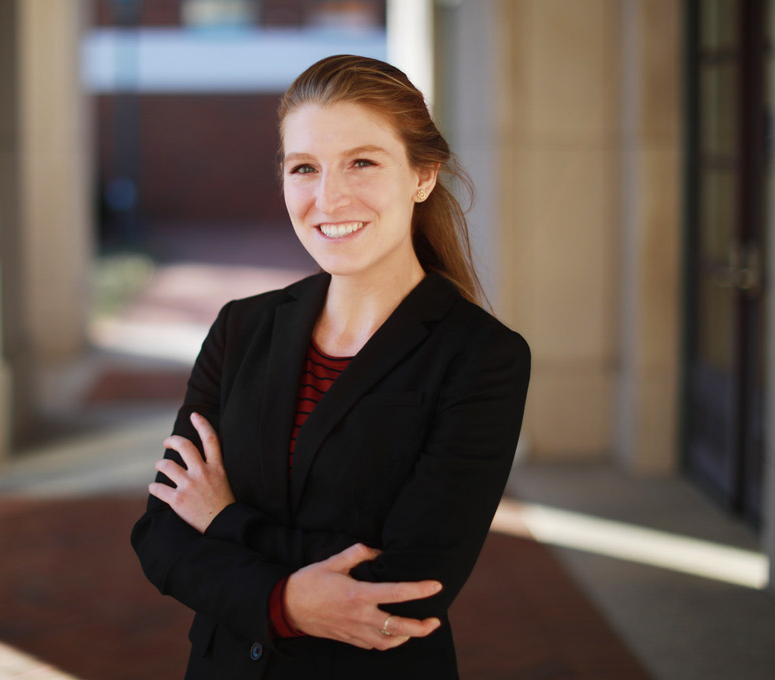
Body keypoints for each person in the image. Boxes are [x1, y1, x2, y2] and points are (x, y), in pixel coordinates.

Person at [131, 54, 530, 679]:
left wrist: (227, 520)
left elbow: (409, 584)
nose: (328, 197)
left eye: (362, 163)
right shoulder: (241, 328)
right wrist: (287, 602)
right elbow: (160, 534)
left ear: (423, 174)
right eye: (305, 168)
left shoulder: (482, 359)